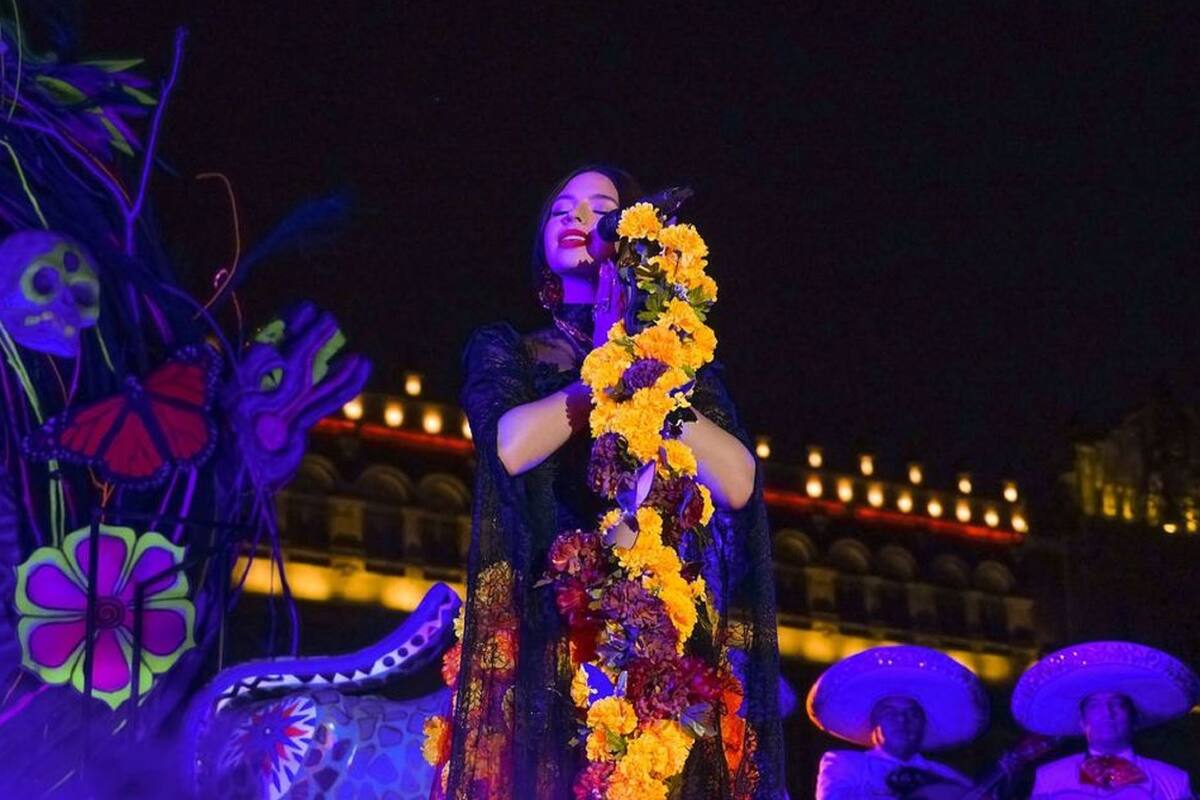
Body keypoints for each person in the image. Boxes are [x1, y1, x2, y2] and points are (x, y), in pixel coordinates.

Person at [440, 165, 785, 798]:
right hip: (554, 624)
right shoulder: (511, 348)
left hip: (659, 631)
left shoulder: (680, 363)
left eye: (602, 208)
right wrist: (604, 371)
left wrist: (650, 383)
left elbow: (737, 480)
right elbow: (510, 446)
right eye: (561, 208)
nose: (577, 217)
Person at [1012, 640, 1199, 798]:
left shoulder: (1174, 780)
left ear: (1133, 718)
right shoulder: (1049, 777)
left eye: (1117, 704)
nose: (1107, 712)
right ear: (1082, 722)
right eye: (1095, 705)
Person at [808, 645, 988, 798]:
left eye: (912, 713)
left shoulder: (950, 778)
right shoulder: (845, 763)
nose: (902, 719)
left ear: (923, 724)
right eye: (890, 712)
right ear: (874, 723)